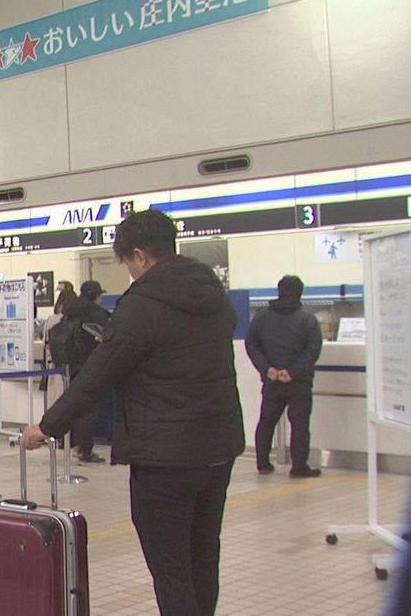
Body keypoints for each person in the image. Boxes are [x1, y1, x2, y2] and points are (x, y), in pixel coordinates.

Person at [23, 209, 244, 616]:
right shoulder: (213, 295)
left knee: (172, 570)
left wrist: (46, 426)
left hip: (166, 459)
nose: (129, 271)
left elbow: (96, 378)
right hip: (219, 448)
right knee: (203, 559)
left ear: (140, 256)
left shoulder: (142, 306)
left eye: (127, 263)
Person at [245, 275, 324, 478]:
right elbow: (313, 349)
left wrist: (267, 369)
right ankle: (298, 467)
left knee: (266, 421)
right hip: (298, 382)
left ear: (278, 290)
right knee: (299, 424)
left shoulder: (262, 317)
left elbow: (252, 344)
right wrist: (292, 371)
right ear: (300, 293)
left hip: (272, 382)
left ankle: (262, 463)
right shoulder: (308, 320)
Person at [62, 280, 111, 464]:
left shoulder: (69, 309)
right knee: (89, 409)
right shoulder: (96, 313)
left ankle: (73, 443)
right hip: (91, 364)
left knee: (74, 404)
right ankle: (85, 449)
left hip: (71, 365)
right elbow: (109, 336)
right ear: (95, 295)